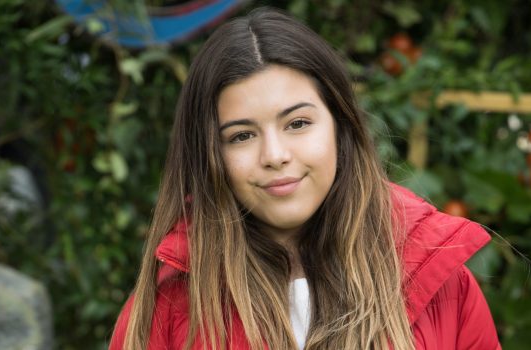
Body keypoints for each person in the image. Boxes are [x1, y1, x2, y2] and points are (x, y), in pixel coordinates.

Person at [109, 7, 501, 350]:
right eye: (241, 136)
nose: (275, 156)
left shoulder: (442, 284)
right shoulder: (165, 309)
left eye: (297, 123)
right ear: (210, 155)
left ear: (339, 126)